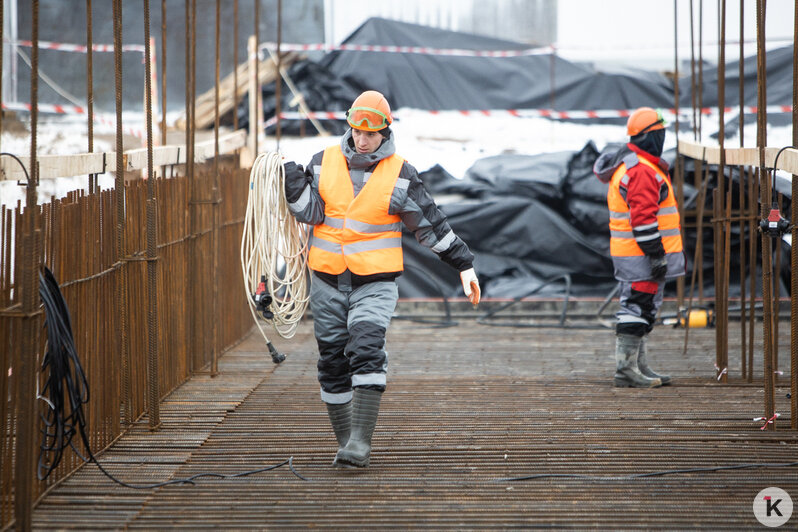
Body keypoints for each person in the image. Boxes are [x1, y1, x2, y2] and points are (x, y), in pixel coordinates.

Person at [282, 90, 480, 467]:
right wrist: (293, 185)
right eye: (356, 131)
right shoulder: (322, 163)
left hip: (374, 284)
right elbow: (311, 212)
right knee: (333, 363)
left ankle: (360, 441)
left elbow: (432, 225)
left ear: (385, 132)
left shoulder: (400, 174)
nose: (361, 139)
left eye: (369, 134)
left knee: (366, 348)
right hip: (325, 281)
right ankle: (346, 442)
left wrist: (464, 265)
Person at [592, 107, 685, 388]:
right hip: (642, 256)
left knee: (642, 308)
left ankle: (637, 366)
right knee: (636, 308)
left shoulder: (639, 165)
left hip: (635, 255)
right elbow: (643, 219)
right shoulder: (641, 171)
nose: (663, 139)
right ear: (650, 136)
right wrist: (656, 255)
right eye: (660, 133)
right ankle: (626, 370)